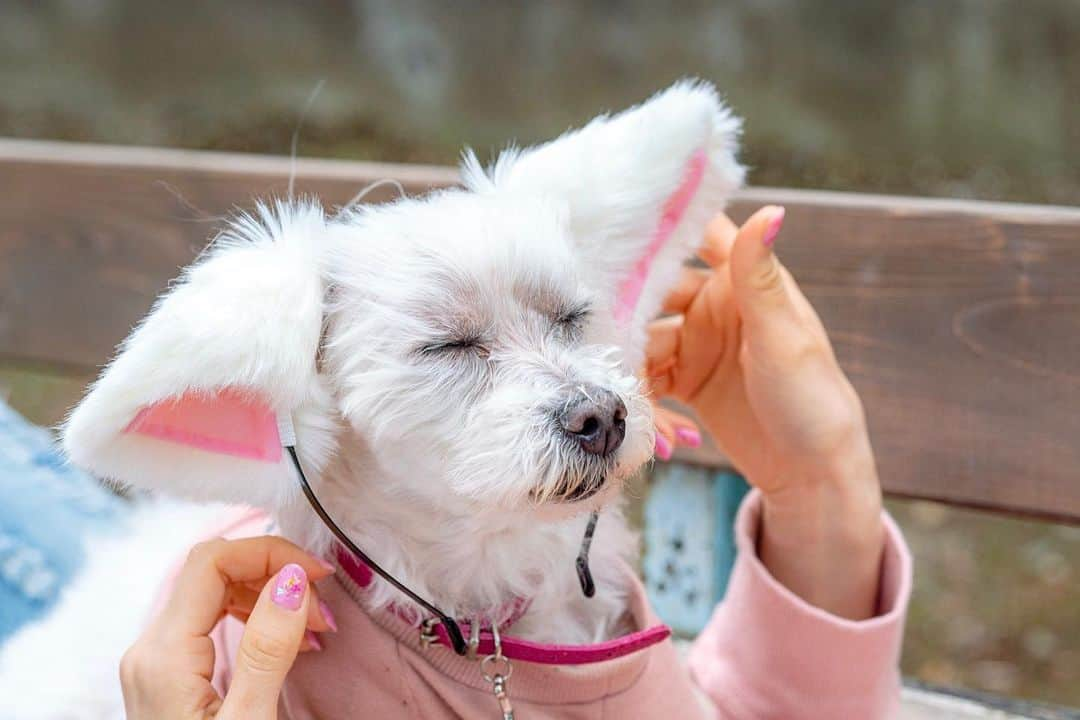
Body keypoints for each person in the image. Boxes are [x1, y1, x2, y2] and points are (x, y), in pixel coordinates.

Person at [121, 207, 910, 718]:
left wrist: (821, 483)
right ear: (313, 389)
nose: (588, 399)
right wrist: (823, 483)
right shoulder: (273, 678)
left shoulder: (594, 595)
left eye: (570, 320)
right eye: (452, 347)